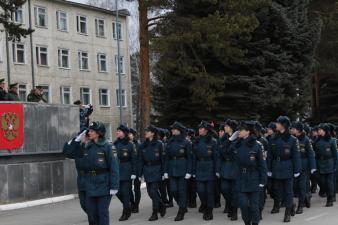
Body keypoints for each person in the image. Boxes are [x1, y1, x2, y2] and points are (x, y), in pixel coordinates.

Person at [63, 122, 119, 225]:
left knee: (102, 213)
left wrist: (114, 186)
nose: (89, 132)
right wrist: (77, 140)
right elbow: (68, 153)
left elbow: (114, 167)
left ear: (98, 133)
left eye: (92, 131)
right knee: (92, 214)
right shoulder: (88, 146)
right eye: (89, 131)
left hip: (104, 184)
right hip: (90, 184)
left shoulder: (108, 146)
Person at [267, 116, 301, 222]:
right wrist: (269, 169)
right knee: (277, 190)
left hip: (288, 166)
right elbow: (269, 156)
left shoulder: (292, 139)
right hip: (276, 166)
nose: (276, 125)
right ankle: (291, 204)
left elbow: (296, 156)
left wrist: (297, 170)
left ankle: (287, 214)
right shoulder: (273, 138)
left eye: (278, 123)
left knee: (288, 191)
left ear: (283, 125)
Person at [234, 121, 267, 225]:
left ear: (248, 131)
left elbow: (262, 164)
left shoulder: (257, 145)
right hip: (241, 178)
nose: (239, 131)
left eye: (242, 129)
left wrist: (262, 181)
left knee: (254, 205)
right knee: (243, 205)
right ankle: (247, 222)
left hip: (253, 177)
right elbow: (225, 152)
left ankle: (255, 222)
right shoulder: (237, 144)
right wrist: (230, 140)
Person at [164, 122, 192, 221]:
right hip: (172, 169)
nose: (172, 130)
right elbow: (166, 158)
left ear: (179, 130)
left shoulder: (186, 142)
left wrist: (189, 171)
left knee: (182, 191)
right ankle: (182, 205)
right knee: (173, 190)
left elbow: (190, 158)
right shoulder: (170, 142)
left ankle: (181, 212)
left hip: (183, 169)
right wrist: (165, 171)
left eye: (174, 129)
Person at [139, 125, 166, 221]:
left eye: (148, 131)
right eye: (145, 130)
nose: (146, 132)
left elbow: (163, 159)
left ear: (153, 133)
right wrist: (139, 174)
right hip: (147, 170)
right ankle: (161, 204)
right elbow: (141, 160)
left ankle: (155, 213)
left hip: (157, 169)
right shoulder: (143, 145)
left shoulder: (159, 144)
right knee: (150, 192)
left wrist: (164, 172)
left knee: (154, 191)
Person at [192, 121, 219, 221]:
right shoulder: (196, 141)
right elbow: (193, 156)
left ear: (206, 130)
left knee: (210, 191)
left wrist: (217, 170)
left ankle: (209, 211)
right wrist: (193, 171)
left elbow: (216, 157)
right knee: (200, 190)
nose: (199, 130)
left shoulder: (213, 141)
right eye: (199, 128)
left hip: (209, 166)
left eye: (201, 128)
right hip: (199, 166)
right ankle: (204, 204)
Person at [290, 122, 316, 214]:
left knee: (301, 186)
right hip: (293, 167)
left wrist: (313, 167)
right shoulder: (292, 139)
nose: (291, 130)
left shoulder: (306, 140)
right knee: (295, 187)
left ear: (297, 130)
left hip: (304, 167)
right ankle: (306, 197)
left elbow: (311, 154)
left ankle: (300, 206)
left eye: (293, 128)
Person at [114, 124, 137, 221]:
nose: (117, 132)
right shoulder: (115, 144)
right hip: (117, 171)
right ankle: (127, 206)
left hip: (127, 170)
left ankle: (125, 212)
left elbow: (134, 160)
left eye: (119, 131)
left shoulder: (130, 144)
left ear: (124, 133)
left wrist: (134, 172)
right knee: (118, 192)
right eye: (117, 131)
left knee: (125, 192)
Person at [219, 119, 239, 220]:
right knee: (224, 189)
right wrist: (229, 140)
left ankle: (234, 210)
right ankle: (230, 205)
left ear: (231, 127)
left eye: (227, 126)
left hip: (235, 166)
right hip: (225, 166)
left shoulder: (238, 139)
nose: (224, 128)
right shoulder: (224, 139)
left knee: (234, 191)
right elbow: (220, 151)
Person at [313, 123, 337, 207]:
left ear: (325, 131)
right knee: (322, 182)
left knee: (329, 183)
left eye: (320, 129)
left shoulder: (331, 140)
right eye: (318, 129)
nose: (318, 131)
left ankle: (330, 199)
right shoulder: (316, 141)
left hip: (329, 163)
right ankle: (325, 192)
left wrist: (335, 165)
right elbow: (314, 154)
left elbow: (335, 154)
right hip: (320, 163)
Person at [129, 128, 141, 213]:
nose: (129, 135)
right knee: (128, 188)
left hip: (137, 169)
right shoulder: (125, 144)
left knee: (137, 188)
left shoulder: (138, 145)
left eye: (130, 134)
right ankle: (132, 203)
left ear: (133, 135)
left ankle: (136, 205)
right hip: (128, 169)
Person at [186, 128, 198, 208]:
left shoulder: (192, 143)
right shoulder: (190, 143)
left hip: (193, 167)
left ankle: (192, 202)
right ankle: (191, 201)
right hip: (191, 167)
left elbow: (193, 156)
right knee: (190, 186)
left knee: (191, 186)